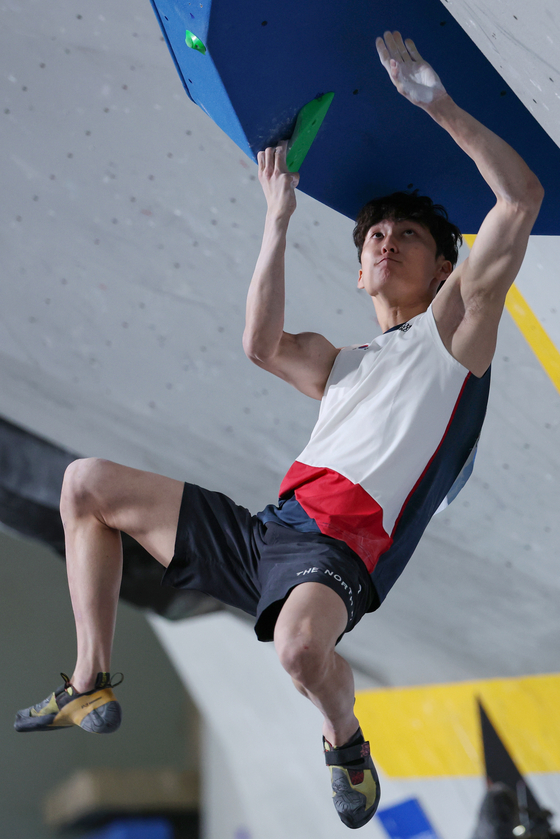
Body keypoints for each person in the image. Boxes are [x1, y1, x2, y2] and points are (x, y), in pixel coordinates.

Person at [14, 32, 542, 830]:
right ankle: (91, 675)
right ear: (360, 270)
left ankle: (345, 741)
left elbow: (522, 200)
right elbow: (260, 345)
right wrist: (277, 216)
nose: (384, 239)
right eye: (374, 236)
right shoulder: (344, 363)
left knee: (299, 651)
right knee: (84, 484)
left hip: (344, 546)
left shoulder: (454, 331)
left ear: (444, 267)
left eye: (406, 235)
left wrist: (440, 105)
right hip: (272, 533)